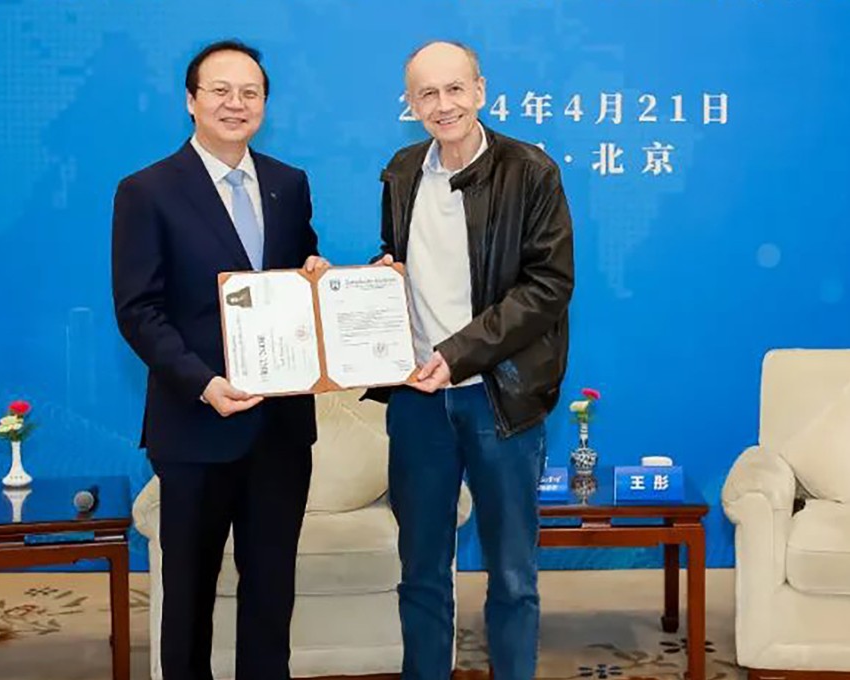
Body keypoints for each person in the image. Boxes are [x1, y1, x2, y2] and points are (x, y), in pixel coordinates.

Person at [111, 39, 328, 680]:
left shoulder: (289, 184)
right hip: (195, 425)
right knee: (188, 596)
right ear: (191, 100)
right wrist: (203, 383)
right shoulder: (146, 190)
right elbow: (139, 310)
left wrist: (316, 278)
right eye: (221, 91)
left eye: (250, 93)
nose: (236, 104)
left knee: (271, 592)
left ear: (265, 103)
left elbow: (296, 272)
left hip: (281, 428)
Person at [367, 40, 575, 680]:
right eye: (426, 94)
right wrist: (371, 284)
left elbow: (548, 286)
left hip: (499, 397)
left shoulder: (531, 171)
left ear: (480, 91)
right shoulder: (402, 170)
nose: (443, 105)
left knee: (512, 574)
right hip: (418, 402)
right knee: (421, 572)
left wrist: (457, 355)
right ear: (411, 104)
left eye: (455, 89)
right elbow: (400, 258)